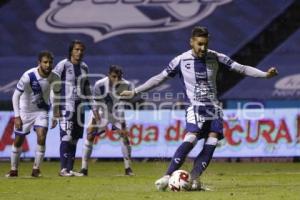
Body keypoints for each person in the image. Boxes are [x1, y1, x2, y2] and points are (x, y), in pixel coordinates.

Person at [120, 26, 278, 190]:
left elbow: (242, 68)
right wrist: (135, 91)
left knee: (213, 139)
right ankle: (167, 176)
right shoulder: (180, 60)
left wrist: (265, 75)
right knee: (192, 136)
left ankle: (194, 179)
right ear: (191, 42)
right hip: (195, 108)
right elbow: (159, 78)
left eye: (205, 44)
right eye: (200, 44)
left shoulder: (216, 57)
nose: (203, 48)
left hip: (214, 108)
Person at [6, 51, 60, 177]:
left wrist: (56, 113)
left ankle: (36, 170)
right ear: (39, 63)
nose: (48, 65)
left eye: (50, 62)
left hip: (41, 111)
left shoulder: (55, 77)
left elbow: (56, 95)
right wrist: (17, 116)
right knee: (18, 140)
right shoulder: (28, 76)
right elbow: (15, 96)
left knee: (42, 136)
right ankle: (14, 170)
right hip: (25, 111)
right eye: (45, 62)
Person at [53, 40, 100, 177]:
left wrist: (94, 109)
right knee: (66, 136)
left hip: (79, 107)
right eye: (76, 49)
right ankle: (63, 169)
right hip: (65, 106)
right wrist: (56, 108)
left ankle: (69, 169)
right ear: (71, 51)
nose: (79, 52)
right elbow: (53, 86)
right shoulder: (62, 65)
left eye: (81, 50)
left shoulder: (84, 67)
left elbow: (87, 90)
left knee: (75, 138)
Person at [80, 65, 134, 176]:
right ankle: (84, 168)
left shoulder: (126, 85)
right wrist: (97, 122)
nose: (116, 80)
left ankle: (128, 168)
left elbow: (121, 106)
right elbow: (95, 107)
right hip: (101, 111)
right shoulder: (99, 85)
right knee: (90, 134)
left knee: (125, 137)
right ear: (108, 75)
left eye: (119, 77)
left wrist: (122, 127)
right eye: (114, 77)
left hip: (116, 113)